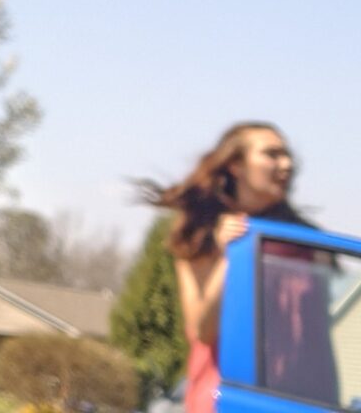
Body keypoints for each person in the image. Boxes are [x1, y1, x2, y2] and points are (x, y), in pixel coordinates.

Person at [140, 122, 337, 413]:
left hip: (297, 399)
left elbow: (319, 341)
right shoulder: (200, 235)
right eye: (272, 154)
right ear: (236, 166)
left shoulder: (304, 240)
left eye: (287, 155)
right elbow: (202, 330)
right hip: (226, 399)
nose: (286, 164)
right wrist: (230, 256)